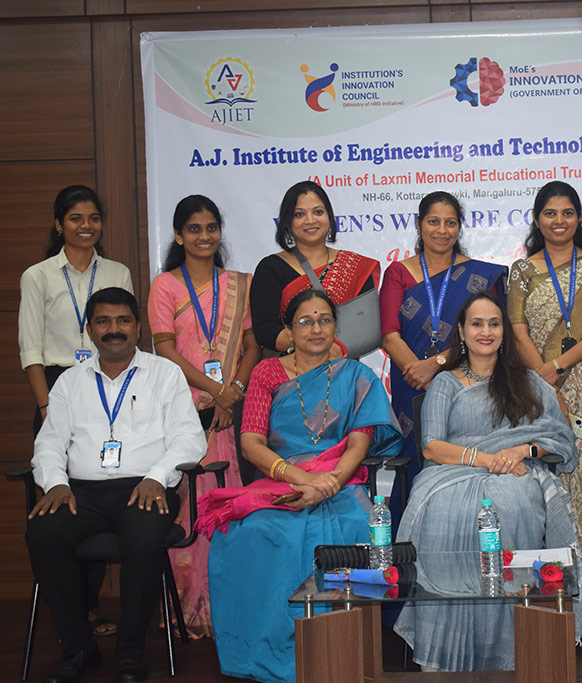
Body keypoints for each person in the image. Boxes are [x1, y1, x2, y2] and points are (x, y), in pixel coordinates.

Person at [199, 289, 401, 683]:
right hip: (281, 478)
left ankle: (345, 650)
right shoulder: (267, 373)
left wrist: (328, 484)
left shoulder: (355, 375)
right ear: (289, 331)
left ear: (336, 327)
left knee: (358, 525)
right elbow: (251, 443)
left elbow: (358, 445)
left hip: (339, 479)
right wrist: (302, 478)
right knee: (251, 530)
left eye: (325, 320)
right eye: (305, 321)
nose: (316, 329)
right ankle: (268, 649)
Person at [394, 292, 582, 671]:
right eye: (476, 324)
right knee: (441, 512)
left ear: (504, 331)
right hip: (452, 474)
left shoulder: (528, 381)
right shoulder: (445, 383)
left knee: (512, 504)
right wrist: (489, 460)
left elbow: (559, 437)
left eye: (494, 323)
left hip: (516, 472)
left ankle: (510, 649)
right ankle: (449, 653)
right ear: (461, 331)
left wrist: (522, 450)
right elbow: (432, 447)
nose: (485, 331)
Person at [26, 287, 207, 683]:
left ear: (138, 327)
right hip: (81, 492)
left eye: (123, 320)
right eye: (103, 321)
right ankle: (79, 650)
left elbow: (189, 439)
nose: (114, 329)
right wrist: (55, 483)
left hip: (145, 487)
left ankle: (130, 654)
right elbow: (50, 442)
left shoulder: (165, 374)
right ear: (90, 330)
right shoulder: (69, 382)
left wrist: (157, 476)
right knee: (43, 533)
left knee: (143, 540)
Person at [18, 184, 134, 639]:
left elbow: (125, 336)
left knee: (97, 489)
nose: (86, 226)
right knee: (61, 504)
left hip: (105, 391)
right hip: (56, 391)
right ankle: (72, 615)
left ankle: (90, 609)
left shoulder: (117, 272)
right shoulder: (39, 276)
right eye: (76, 218)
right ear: (58, 224)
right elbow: (31, 349)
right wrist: (47, 406)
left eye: (94, 218)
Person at [147, 195, 261, 638]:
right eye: (194, 229)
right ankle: (188, 607)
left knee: (228, 505)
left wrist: (234, 391)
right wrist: (217, 391)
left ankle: (229, 606)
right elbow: (165, 350)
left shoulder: (238, 284)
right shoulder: (166, 286)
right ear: (178, 236)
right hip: (182, 410)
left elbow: (251, 344)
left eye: (211, 227)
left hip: (232, 413)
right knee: (188, 509)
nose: (204, 236)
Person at [506, 181, 582, 616]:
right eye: (550, 213)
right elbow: (516, 329)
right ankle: (546, 594)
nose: (559, 221)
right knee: (543, 482)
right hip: (534, 391)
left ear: (578, 217)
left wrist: (559, 365)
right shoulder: (521, 271)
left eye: (567, 212)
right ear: (537, 219)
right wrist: (544, 378)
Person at [379, 191, 507, 516]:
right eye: (433, 221)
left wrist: (436, 365)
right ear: (419, 224)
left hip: (466, 384)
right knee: (413, 460)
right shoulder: (398, 273)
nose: (442, 230)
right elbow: (390, 335)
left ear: (459, 227)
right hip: (411, 385)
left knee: (465, 456)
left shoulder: (481, 275)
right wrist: (419, 373)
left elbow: (485, 335)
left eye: (450, 223)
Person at [249, 180, 380, 354]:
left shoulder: (354, 266)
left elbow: (367, 328)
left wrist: (333, 352)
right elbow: (264, 331)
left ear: (329, 217)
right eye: (299, 214)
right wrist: (315, 348)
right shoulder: (271, 268)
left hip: (342, 366)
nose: (310, 220)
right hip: (290, 366)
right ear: (288, 221)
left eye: (318, 212)